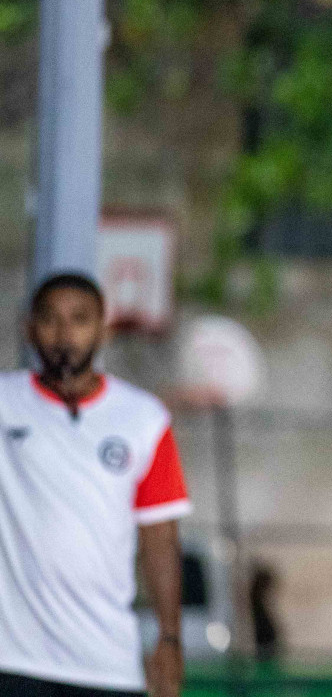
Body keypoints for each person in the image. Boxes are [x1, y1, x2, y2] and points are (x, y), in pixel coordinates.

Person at [0, 272, 191, 697]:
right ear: (30, 328)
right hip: (13, 659)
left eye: (80, 319)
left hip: (107, 663)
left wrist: (169, 637)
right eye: (50, 320)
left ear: (103, 328)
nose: (64, 334)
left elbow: (159, 534)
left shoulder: (143, 418)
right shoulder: (5, 403)